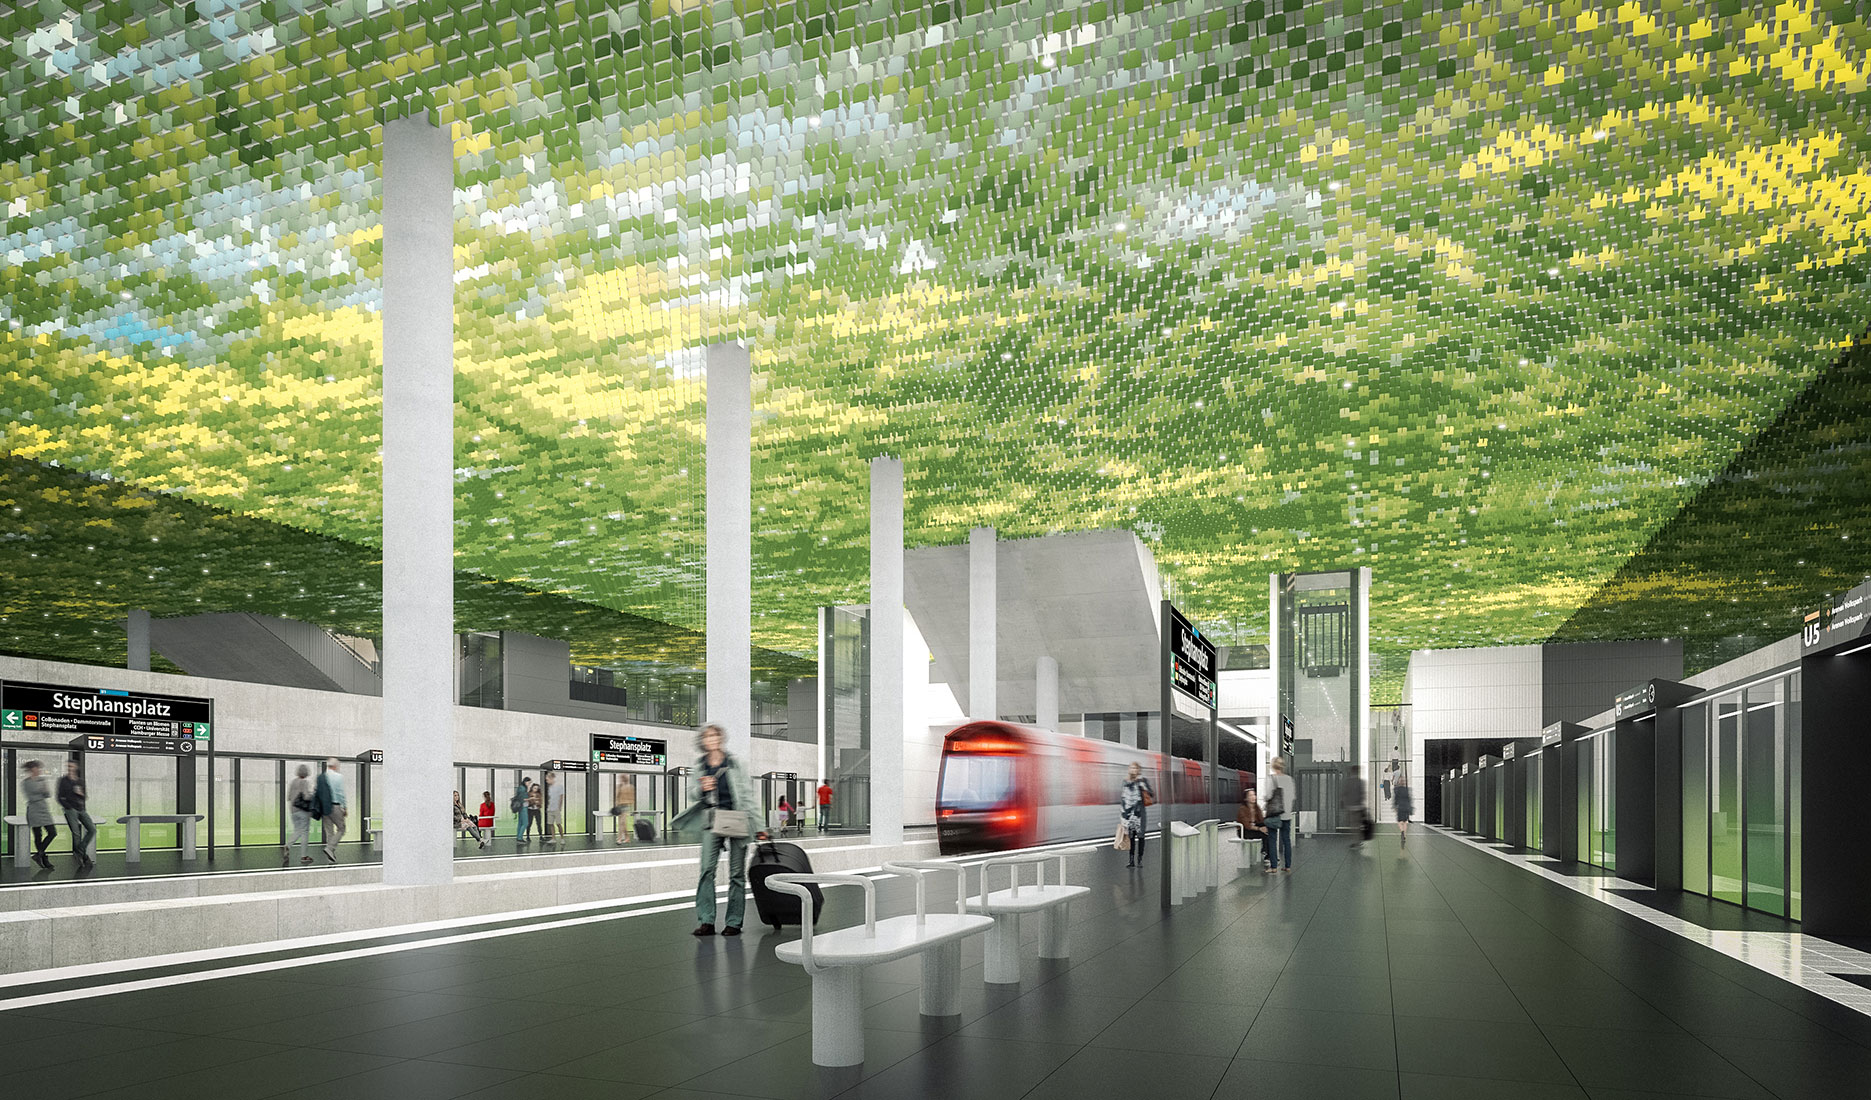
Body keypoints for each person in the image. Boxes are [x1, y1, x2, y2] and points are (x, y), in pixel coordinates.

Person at [690, 722, 753, 937]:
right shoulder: (700, 766)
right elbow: (691, 794)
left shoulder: (735, 763)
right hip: (711, 819)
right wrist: (701, 788)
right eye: (707, 736)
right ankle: (706, 921)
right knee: (706, 870)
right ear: (703, 741)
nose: (712, 739)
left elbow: (747, 795)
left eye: (715, 735)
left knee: (737, 873)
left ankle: (734, 922)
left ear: (721, 738)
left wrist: (759, 826)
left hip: (737, 818)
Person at [57, 759, 96, 870]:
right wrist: (68, 807)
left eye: (71, 766)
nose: (70, 768)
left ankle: (80, 852)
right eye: (68, 766)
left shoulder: (80, 781)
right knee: (76, 833)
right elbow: (59, 797)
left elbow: (85, 797)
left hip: (81, 808)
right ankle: (82, 856)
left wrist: (80, 793)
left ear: (76, 767)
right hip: (70, 809)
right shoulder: (63, 781)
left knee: (92, 829)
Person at [20, 760, 57, 871]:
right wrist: (41, 792)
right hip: (33, 810)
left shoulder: (42, 780)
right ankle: (44, 859)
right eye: (37, 768)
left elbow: (48, 794)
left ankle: (38, 854)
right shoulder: (26, 782)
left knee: (52, 832)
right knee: (38, 835)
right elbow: (31, 797)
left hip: (43, 809)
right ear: (32, 769)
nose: (39, 770)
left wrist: (43, 791)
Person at [1264, 757, 1297, 873]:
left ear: (1273, 766)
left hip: (1274, 814)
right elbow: (1293, 797)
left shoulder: (1271, 779)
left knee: (1272, 840)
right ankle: (1287, 866)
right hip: (1286, 815)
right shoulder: (1289, 779)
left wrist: (1265, 799)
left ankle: (1273, 867)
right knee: (1286, 840)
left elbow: (1268, 796)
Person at [1119, 761, 1154, 869]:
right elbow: (1123, 798)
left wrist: (1143, 786)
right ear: (1129, 770)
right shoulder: (1125, 781)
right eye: (1132, 768)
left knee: (1141, 836)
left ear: (1138, 770)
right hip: (1128, 813)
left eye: (1135, 768)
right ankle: (1131, 860)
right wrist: (1123, 815)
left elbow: (1151, 794)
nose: (1133, 770)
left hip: (1140, 813)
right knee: (1131, 837)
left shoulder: (1143, 781)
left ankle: (1140, 860)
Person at [313, 758, 347, 863]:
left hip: (324, 808)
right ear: (336, 766)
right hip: (335, 806)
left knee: (329, 832)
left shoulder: (320, 777)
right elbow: (340, 793)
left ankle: (330, 857)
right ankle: (330, 848)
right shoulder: (338, 777)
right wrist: (345, 807)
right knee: (341, 829)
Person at [285, 763, 315, 865]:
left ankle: (288, 846)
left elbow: (289, 797)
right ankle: (304, 856)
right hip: (303, 810)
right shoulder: (304, 782)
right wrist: (313, 795)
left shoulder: (293, 782)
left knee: (297, 830)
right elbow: (306, 797)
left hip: (293, 811)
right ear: (306, 772)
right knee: (304, 832)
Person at [1236, 787, 1267, 871]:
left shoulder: (1257, 808)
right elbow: (1247, 825)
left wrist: (1264, 826)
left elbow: (1261, 820)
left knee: (1268, 831)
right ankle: (1266, 853)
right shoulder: (1242, 809)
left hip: (1254, 829)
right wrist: (1260, 829)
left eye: (1254, 795)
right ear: (1245, 798)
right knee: (1264, 833)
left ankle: (1266, 852)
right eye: (1250, 795)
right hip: (1244, 831)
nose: (1253, 797)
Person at [1342, 773, 1368, 850]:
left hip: (1351, 807)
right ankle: (1358, 841)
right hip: (1358, 807)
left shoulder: (1348, 782)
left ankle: (1356, 842)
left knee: (1353, 825)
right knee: (1357, 825)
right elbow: (1363, 794)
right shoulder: (1360, 782)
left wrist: (1345, 804)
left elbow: (1344, 794)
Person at [610, 777, 636, 844]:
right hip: (620, 806)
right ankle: (627, 838)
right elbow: (616, 796)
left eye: (621, 778)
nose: (620, 780)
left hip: (626, 806)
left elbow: (632, 798)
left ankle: (619, 839)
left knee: (622, 822)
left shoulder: (630, 787)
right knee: (622, 824)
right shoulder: (619, 786)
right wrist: (615, 805)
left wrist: (633, 808)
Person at [543, 770, 565, 845]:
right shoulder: (549, 788)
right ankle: (553, 838)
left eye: (547, 779)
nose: (547, 781)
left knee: (558, 824)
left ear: (551, 778)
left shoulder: (559, 786)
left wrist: (559, 807)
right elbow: (549, 798)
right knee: (551, 824)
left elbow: (561, 797)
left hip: (556, 809)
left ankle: (562, 838)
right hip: (550, 809)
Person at [1393, 779, 1414, 849]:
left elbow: (1395, 799)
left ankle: (1401, 831)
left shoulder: (1397, 790)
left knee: (1399, 821)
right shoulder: (1407, 790)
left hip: (1400, 807)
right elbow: (1409, 799)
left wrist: (1395, 806)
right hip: (1406, 807)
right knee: (1405, 822)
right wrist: (1410, 808)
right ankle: (1404, 835)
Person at [513, 776, 532, 843]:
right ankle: (520, 837)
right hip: (523, 807)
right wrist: (530, 798)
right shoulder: (522, 788)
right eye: (529, 782)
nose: (529, 784)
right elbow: (523, 798)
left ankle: (519, 837)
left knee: (520, 823)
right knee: (525, 823)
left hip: (521, 807)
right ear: (525, 782)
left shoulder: (521, 788)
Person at [525, 778, 545, 843]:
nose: (535, 789)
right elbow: (527, 802)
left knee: (539, 823)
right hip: (530, 810)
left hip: (537, 810)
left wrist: (537, 802)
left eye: (537, 788)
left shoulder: (539, 794)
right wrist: (532, 800)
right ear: (532, 788)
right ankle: (527, 836)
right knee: (529, 823)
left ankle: (541, 836)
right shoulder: (528, 794)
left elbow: (541, 802)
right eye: (534, 788)